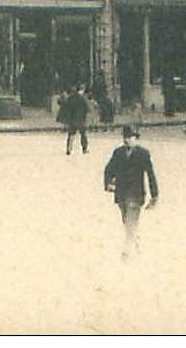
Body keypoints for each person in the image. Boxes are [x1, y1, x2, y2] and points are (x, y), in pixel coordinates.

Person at [102, 125, 159, 260]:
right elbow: (109, 169)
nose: (130, 140)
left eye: (133, 137)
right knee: (126, 220)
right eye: (127, 137)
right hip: (121, 193)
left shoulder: (143, 154)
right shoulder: (118, 153)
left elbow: (150, 175)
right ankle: (135, 239)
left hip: (136, 193)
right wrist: (108, 183)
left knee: (131, 220)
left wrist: (154, 195)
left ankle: (126, 251)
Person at [66, 86, 91, 155]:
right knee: (83, 135)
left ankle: (69, 149)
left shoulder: (70, 98)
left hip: (72, 120)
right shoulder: (82, 99)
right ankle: (84, 149)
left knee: (71, 135)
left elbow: (66, 109)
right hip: (81, 120)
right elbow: (87, 109)